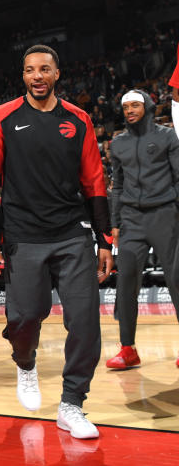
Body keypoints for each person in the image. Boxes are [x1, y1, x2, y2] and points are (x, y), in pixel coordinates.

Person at [0, 44, 113, 440]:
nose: (37, 76)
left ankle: (72, 404)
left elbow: (94, 183)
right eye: (30, 70)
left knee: (86, 321)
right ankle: (25, 362)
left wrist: (104, 238)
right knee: (23, 318)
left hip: (72, 234)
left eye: (45, 70)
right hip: (22, 235)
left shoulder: (79, 119)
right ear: (23, 76)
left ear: (57, 74)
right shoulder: (2, 117)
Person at [106, 89, 179, 369]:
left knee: (176, 281)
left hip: (164, 214)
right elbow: (118, 186)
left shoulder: (166, 136)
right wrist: (115, 223)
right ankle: (128, 349)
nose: (130, 111)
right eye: (126, 107)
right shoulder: (118, 143)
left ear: (147, 107)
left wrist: (173, 205)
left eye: (135, 105)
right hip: (131, 220)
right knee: (125, 282)